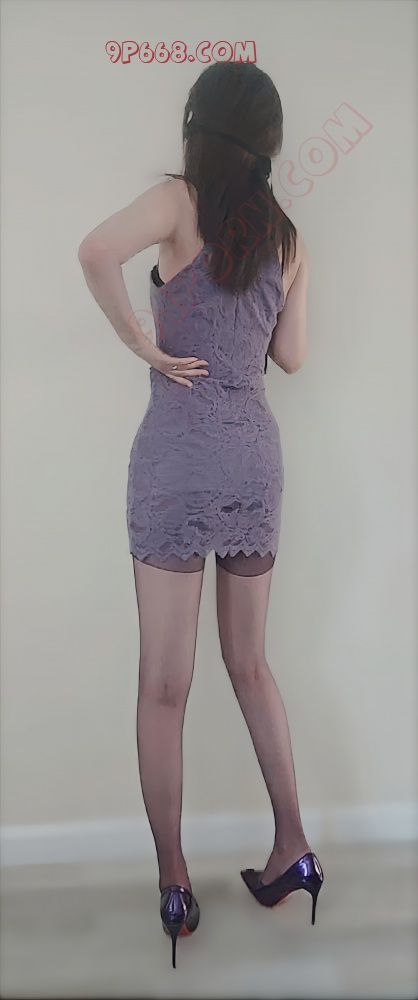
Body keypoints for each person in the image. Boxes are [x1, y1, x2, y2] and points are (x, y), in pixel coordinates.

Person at [78, 61, 324, 970]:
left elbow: (94, 251)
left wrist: (142, 342)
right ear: (269, 142)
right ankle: (294, 846)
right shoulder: (288, 235)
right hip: (254, 458)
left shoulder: (177, 201)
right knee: (251, 664)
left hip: (178, 458)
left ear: (197, 125)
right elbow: (291, 357)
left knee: (163, 687)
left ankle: (175, 882)